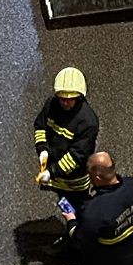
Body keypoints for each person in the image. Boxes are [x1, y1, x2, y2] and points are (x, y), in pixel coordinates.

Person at [34, 67, 99, 199]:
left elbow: (77, 155)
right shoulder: (51, 104)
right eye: (62, 98)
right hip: (54, 174)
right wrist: (42, 149)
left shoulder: (88, 121)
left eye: (70, 99)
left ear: (79, 97)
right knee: (63, 203)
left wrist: (51, 172)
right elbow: (40, 125)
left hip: (74, 181)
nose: (65, 102)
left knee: (79, 208)